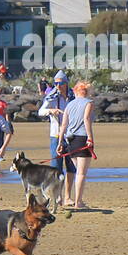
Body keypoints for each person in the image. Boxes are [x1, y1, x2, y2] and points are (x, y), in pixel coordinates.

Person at [57, 81, 95, 208]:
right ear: (86, 91)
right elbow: (86, 119)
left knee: (78, 170)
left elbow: (64, 125)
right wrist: (90, 137)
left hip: (70, 140)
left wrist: (60, 142)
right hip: (82, 138)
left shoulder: (69, 105)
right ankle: (78, 202)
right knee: (81, 173)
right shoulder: (88, 103)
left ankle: (77, 200)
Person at [38, 72, 75, 204]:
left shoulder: (73, 96)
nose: (58, 86)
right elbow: (40, 111)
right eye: (56, 83)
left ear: (66, 83)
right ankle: (57, 196)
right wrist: (50, 111)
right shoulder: (51, 97)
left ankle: (67, 197)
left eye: (61, 83)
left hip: (71, 135)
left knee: (71, 167)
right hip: (56, 135)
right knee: (56, 168)